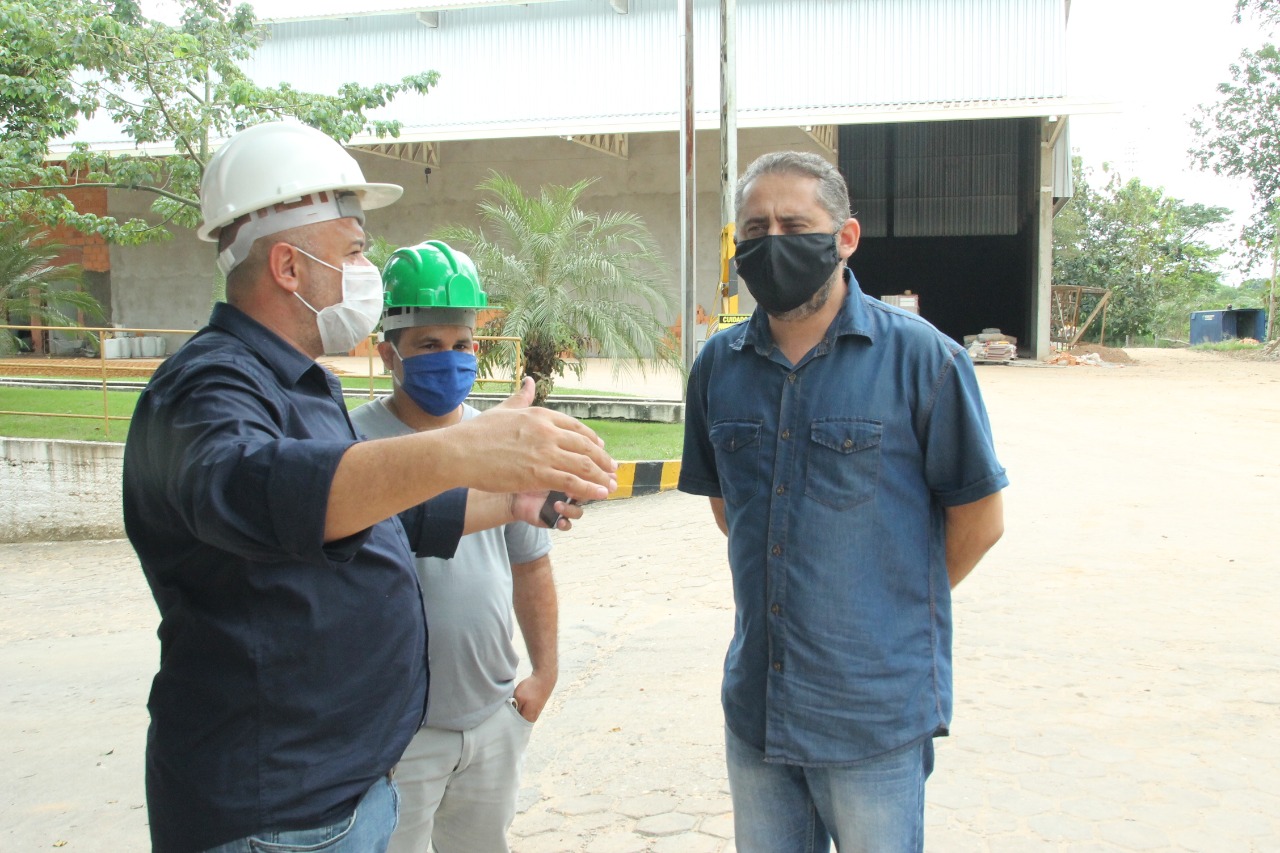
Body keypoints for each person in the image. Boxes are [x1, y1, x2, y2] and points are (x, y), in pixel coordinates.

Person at [122, 121, 614, 853]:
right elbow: (265, 491)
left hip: (343, 789)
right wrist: (462, 448)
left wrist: (508, 502)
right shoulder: (208, 386)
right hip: (279, 811)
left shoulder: (301, 382)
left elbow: (368, 514)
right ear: (289, 267)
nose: (367, 267)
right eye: (353, 249)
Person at [678, 150, 1007, 853]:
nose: (772, 241)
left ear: (845, 237)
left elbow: (980, 520)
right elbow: (728, 506)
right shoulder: (717, 367)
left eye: (794, 223)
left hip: (873, 715)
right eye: (755, 228)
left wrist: (883, 602)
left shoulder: (926, 361)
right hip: (758, 710)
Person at [350, 241, 558, 853]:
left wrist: (543, 676)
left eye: (462, 344)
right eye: (428, 346)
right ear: (389, 353)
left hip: (494, 714)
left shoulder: (499, 442)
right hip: (397, 736)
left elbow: (532, 563)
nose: (450, 359)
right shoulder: (354, 444)